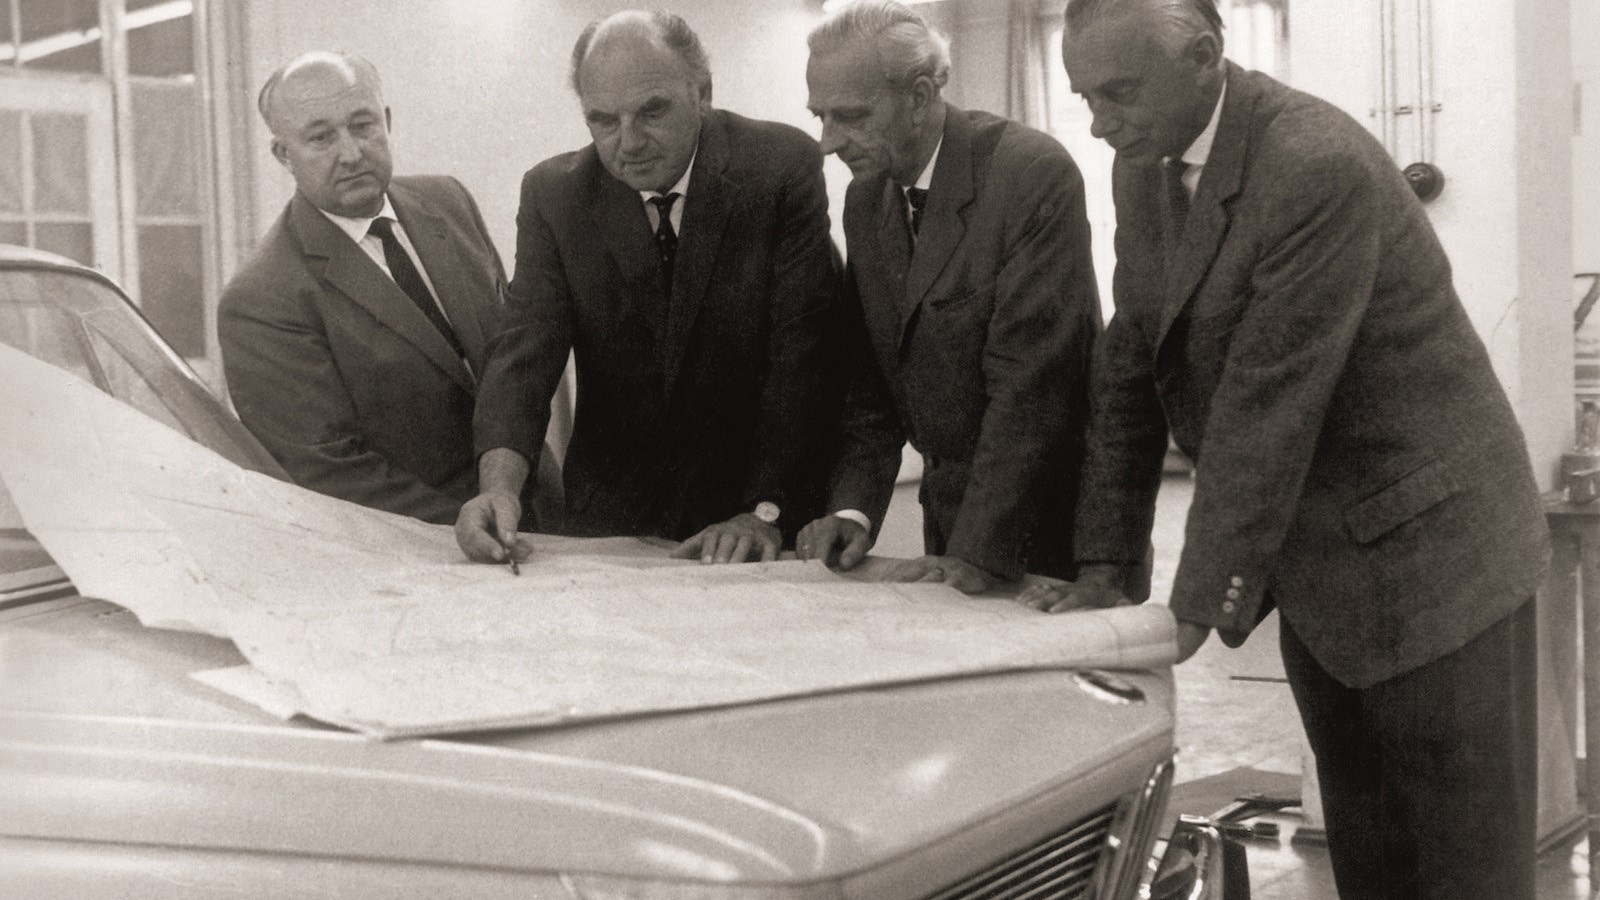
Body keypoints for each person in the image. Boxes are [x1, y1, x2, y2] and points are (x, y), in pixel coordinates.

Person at [1034, 1, 1549, 897]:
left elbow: (1265, 403)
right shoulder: (1143, 168)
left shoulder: (1313, 163)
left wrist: (1192, 609)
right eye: (1084, 97)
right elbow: (1133, 362)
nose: (1099, 122)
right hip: (1324, 566)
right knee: (1370, 854)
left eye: (1119, 93)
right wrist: (1105, 567)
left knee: (1464, 869)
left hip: (1440, 560)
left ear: (1205, 55)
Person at [456, 11, 840, 566]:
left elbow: (803, 360)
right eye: (603, 121)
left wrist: (762, 512)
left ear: (702, 94)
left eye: (652, 111)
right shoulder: (555, 196)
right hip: (615, 521)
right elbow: (523, 357)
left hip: (757, 514)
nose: (629, 143)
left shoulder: (778, 167)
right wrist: (498, 488)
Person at [795, 0, 1102, 593]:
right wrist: (853, 509)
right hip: (953, 524)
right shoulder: (866, 199)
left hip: (1056, 534)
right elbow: (872, 382)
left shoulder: (1030, 173)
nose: (829, 142)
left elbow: (1031, 392)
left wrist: (973, 555)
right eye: (820, 116)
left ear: (918, 97)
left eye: (850, 116)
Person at [220, 52, 524, 525]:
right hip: (426, 547)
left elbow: (510, 360)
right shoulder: (261, 298)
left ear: (387, 121)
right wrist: (470, 524)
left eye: (362, 126)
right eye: (321, 138)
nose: (350, 153)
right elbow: (330, 472)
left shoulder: (448, 201)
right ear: (284, 155)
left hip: (544, 514)